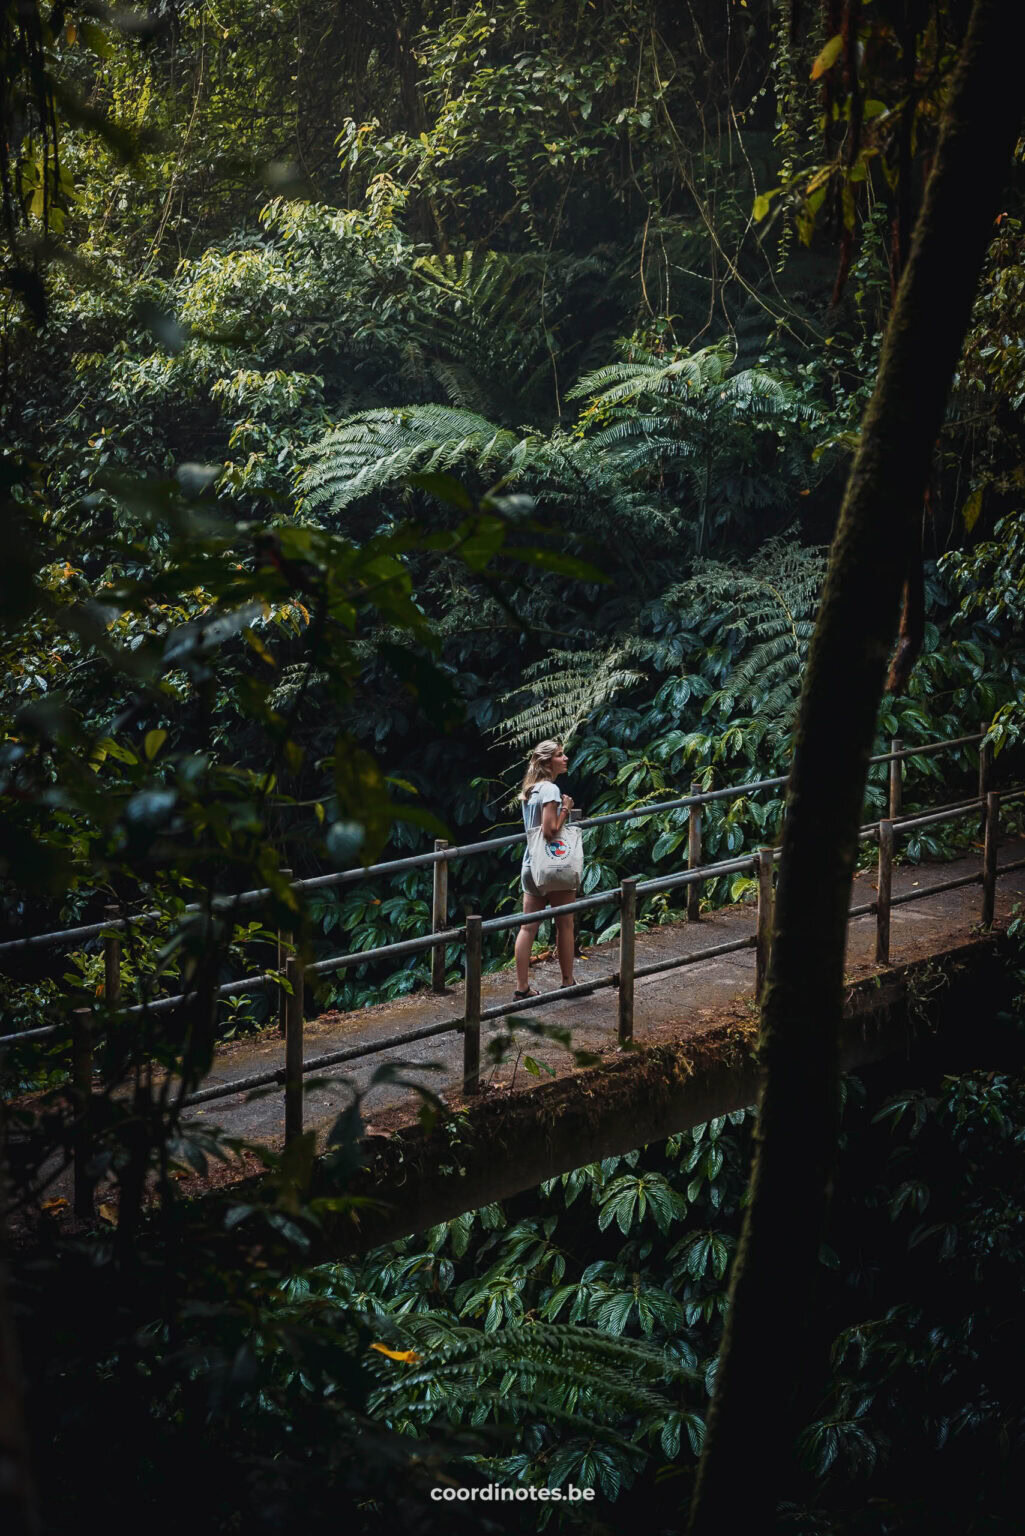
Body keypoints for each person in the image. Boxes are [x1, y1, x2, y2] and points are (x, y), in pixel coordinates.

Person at [514, 739, 578, 998]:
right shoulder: (551, 789)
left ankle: (522, 988)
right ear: (547, 761)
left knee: (527, 927)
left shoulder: (530, 791)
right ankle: (567, 982)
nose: (565, 759)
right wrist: (566, 809)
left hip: (531, 866)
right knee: (565, 923)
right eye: (560, 755)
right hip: (554, 867)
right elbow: (550, 831)